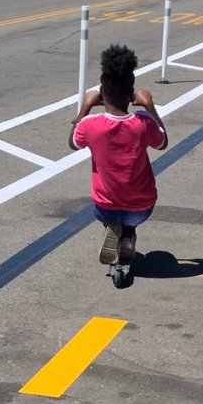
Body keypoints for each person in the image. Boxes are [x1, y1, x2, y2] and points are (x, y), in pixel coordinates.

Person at [70, 43, 168, 269]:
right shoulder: (144, 122)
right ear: (132, 95)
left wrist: (85, 107)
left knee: (110, 212)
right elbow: (162, 143)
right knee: (132, 217)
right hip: (140, 208)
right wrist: (150, 106)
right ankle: (129, 234)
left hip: (105, 206)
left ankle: (112, 228)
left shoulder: (90, 124)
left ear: (102, 94)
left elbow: (73, 143)